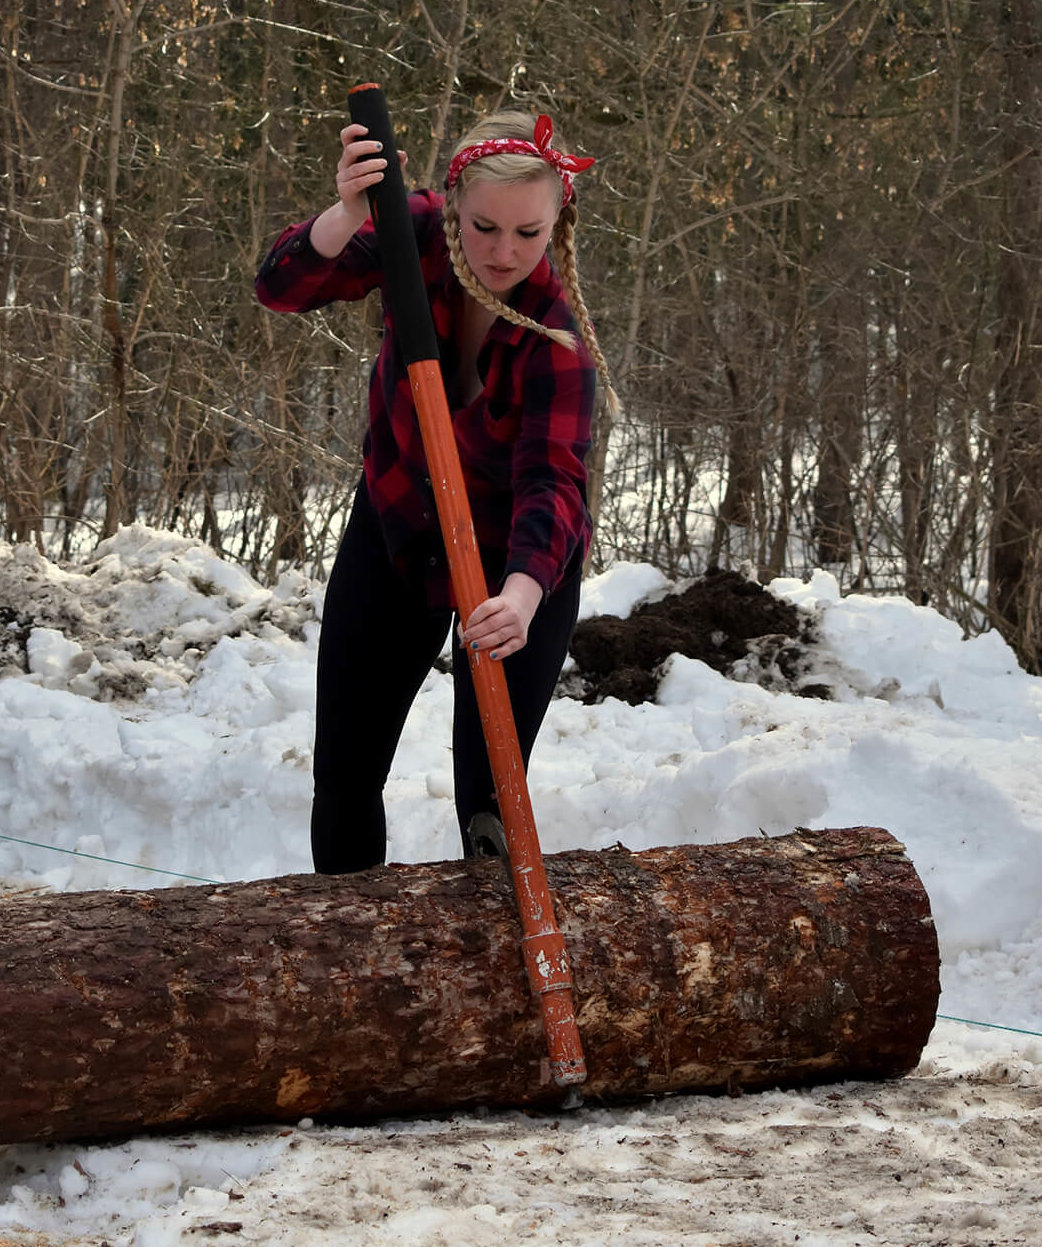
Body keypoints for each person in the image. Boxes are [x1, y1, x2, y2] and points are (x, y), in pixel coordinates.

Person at [255, 109, 616, 873]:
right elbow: (281, 288)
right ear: (452, 202)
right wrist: (349, 212)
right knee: (346, 774)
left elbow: (552, 482)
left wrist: (519, 597)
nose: (502, 252)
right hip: (399, 530)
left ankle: (487, 957)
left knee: (489, 795)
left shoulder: (559, 343)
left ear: (558, 222)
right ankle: (353, 943)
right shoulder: (411, 234)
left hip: (515, 567)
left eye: (528, 233)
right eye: (484, 226)